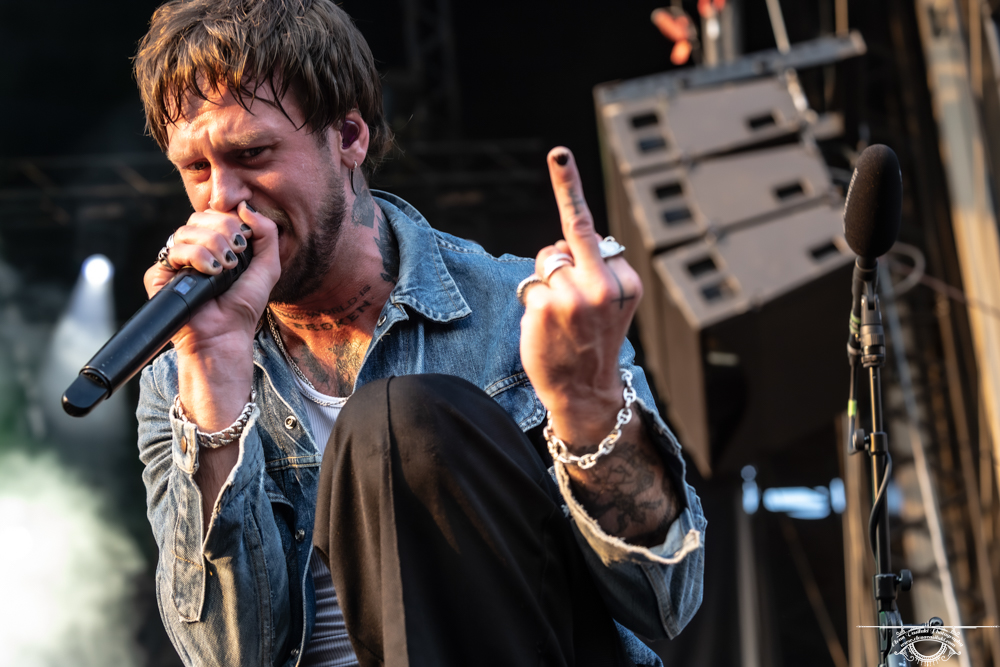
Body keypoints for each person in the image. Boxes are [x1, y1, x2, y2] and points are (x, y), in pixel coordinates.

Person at [133, 0, 706, 665]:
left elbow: (666, 599)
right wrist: (214, 374)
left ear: (349, 137)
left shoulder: (524, 312)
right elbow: (227, 655)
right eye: (196, 169)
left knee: (398, 420)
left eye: (252, 153)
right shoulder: (180, 376)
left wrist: (590, 407)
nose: (222, 198)